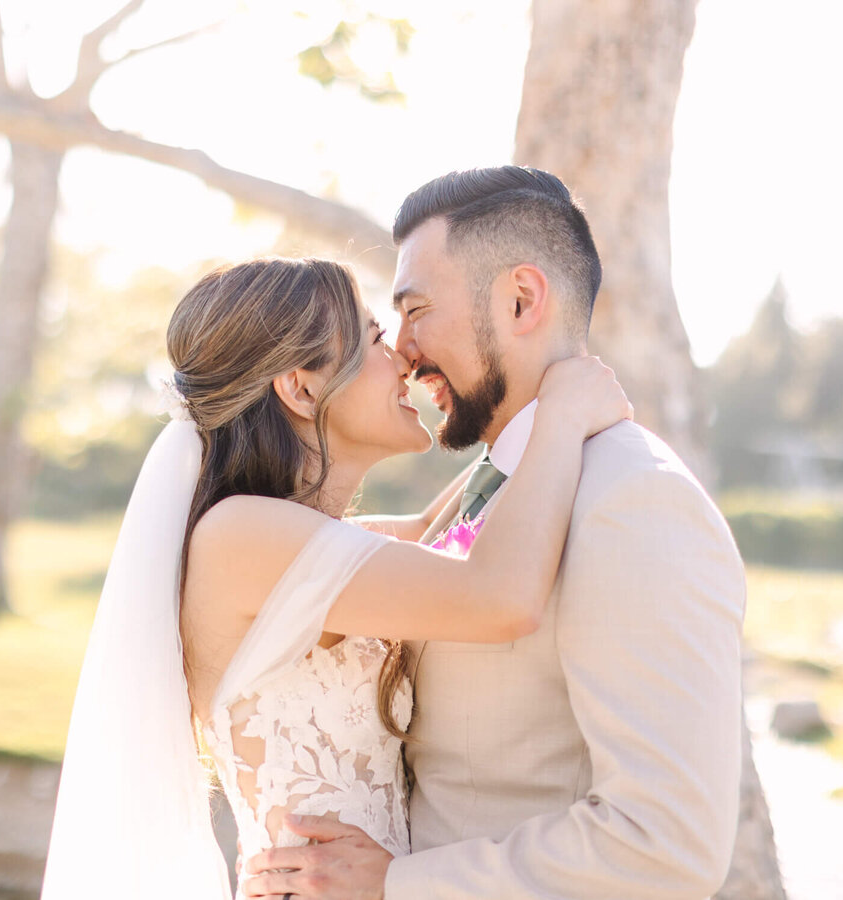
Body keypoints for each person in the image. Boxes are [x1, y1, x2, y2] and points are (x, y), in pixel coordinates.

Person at [39, 256, 633, 899]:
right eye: (377, 339)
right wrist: (566, 419)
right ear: (300, 389)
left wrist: (529, 390)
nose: (406, 358)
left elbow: (466, 515)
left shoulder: (324, 550)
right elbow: (502, 597)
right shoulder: (240, 538)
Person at [243, 167, 747, 900]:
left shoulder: (634, 503)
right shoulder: (492, 488)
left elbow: (665, 845)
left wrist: (401, 885)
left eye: (415, 311)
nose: (403, 351)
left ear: (520, 300)